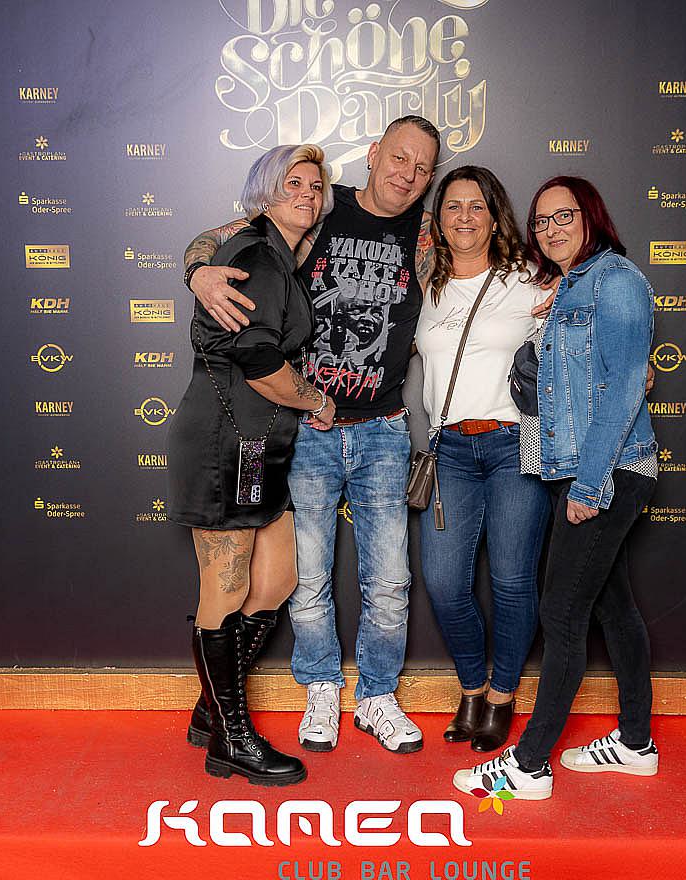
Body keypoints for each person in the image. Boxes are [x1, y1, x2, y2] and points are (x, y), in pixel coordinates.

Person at [183, 116, 441, 754]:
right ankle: (321, 689)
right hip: (306, 427)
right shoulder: (319, 209)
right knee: (307, 579)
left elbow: (498, 270)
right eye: (399, 157)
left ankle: (377, 697)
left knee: (389, 581)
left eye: (422, 167)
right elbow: (217, 239)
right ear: (374, 154)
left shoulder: (428, 233)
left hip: (383, 429)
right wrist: (198, 272)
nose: (408, 174)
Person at [453, 176, 660, 800]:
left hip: (606, 472)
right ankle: (636, 744)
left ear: (591, 215)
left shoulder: (616, 281)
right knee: (613, 609)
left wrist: (590, 486)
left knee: (562, 614)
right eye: (541, 222)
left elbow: (624, 388)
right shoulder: (569, 286)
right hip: (576, 468)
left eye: (563, 216)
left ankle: (530, 765)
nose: (550, 230)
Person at [168, 144, 336, 786]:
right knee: (227, 587)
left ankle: (213, 710)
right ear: (265, 191)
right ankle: (231, 740)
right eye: (293, 183)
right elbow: (259, 362)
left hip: (259, 445)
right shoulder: (256, 254)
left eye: (315, 186)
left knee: (277, 579)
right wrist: (315, 400)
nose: (307, 194)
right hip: (225, 439)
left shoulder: (282, 255)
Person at [415, 166, 550, 753]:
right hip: (448, 449)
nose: (464, 217)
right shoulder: (425, 281)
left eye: (477, 206)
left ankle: (501, 695)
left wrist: (635, 364)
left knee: (513, 581)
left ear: (495, 218)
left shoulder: (529, 280)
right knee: (445, 582)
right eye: (453, 206)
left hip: (514, 445)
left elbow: (590, 323)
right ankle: (471, 687)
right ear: (438, 220)